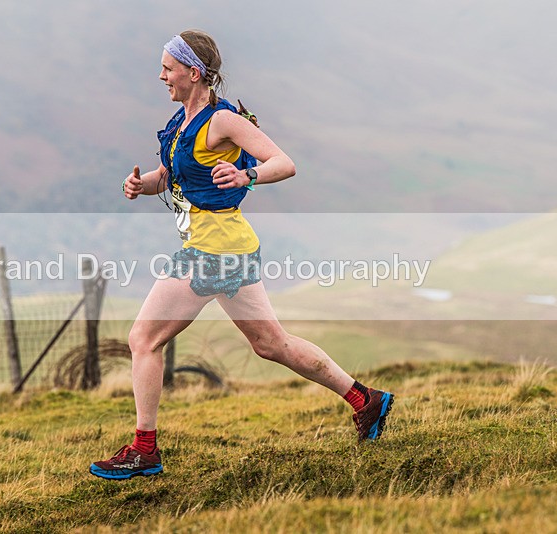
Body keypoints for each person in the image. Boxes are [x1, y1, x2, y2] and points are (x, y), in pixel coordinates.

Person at [89, 30, 394, 480]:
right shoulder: (180, 121)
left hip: (212, 250)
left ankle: (144, 450)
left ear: (194, 73)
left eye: (168, 69)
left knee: (143, 340)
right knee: (272, 344)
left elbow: (283, 163)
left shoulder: (223, 121)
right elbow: (171, 175)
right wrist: (140, 184)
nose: (161, 76)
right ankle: (364, 399)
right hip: (230, 249)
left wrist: (246, 175)